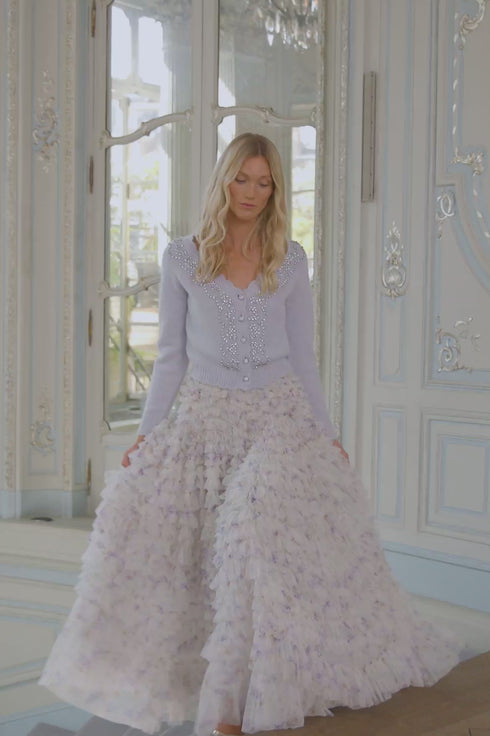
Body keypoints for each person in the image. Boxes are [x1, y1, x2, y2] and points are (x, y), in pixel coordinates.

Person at [39, 133, 462, 736]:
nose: (253, 193)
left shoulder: (290, 259)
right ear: (224, 180)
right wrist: (149, 434)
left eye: (265, 183)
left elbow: (304, 356)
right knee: (207, 557)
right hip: (206, 419)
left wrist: (326, 432)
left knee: (252, 533)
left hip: (279, 419)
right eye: (243, 179)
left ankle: (245, 702)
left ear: (275, 190)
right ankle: (223, 706)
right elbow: (170, 358)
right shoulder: (183, 257)